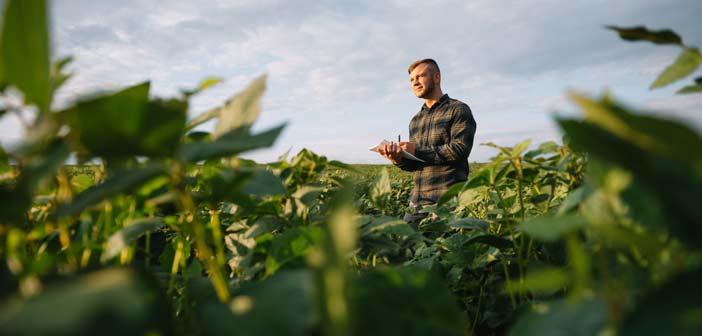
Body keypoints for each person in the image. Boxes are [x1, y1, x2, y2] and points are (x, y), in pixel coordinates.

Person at [377, 59, 477, 227]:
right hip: (417, 201)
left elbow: (459, 149)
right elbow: (416, 164)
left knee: (444, 249)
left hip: (448, 200)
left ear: (436, 77)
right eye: (411, 79)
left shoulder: (458, 109)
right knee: (409, 247)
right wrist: (398, 159)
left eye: (421, 76)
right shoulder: (415, 120)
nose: (415, 82)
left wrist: (416, 150)